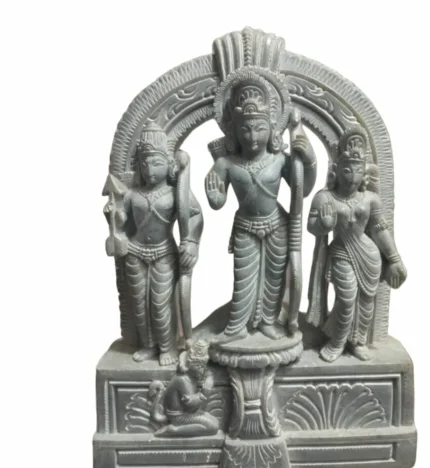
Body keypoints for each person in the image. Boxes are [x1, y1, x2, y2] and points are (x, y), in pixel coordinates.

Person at [205, 75, 316, 341]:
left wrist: (310, 160)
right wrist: (214, 195)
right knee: (244, 278)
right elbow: (218, 203)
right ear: (234, 131)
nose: (253, 137)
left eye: (259, 129)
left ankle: (268, 320)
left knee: (274, 279)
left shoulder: (279, 160)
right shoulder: (225, 164)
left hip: (277, 224)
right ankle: (237, 326)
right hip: (245, 226)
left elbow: (303, 190)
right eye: (245, 130)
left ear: (272, 130)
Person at [104, 121, 203, 365]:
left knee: (160, 304)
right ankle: (148, 345)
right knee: (140, 305)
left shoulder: (175, 193)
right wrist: (113, 215)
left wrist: (191, 241)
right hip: (135, 252)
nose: (150, 170)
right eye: (145, 164)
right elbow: (123, 220)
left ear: (169, 165)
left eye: (157, 163)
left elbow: (195, 214)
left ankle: (167, 347)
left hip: (163, 253)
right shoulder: (132, 194)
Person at [307, 128, 407, 362]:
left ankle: (358, 341)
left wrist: (394, 258)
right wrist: (324, 224)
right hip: (341, 251)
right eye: (347, 170)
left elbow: (380, 230)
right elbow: (311, 227)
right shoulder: (325, 198)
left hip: (369, 255)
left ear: (365, 175)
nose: (352, 177)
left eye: (358, 171)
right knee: (346, 298)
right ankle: (337, 341)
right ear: (336, 171)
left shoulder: (371, 199)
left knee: (366, 301)